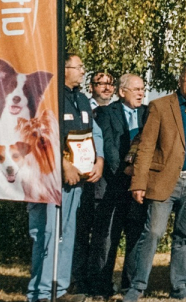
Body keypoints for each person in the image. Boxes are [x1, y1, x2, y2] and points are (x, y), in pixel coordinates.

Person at [124, 64, 186, 302]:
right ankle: (137, 286)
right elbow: (146, 147)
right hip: (164, 181)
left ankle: (179, 287)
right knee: (153, 232)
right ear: (181, 79)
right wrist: (138, 183)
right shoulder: (160, 106)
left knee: (185, 236)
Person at [27, 54, 102, 302]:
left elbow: (92, 134)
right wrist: (64, 164)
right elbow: (39, 135)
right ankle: (40, 293)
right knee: (47, 234)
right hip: (49, 180)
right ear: (64, 69)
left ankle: (60, 290)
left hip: (75, 183)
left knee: (67, 235)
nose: (83, 71)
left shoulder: (81, 99)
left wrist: (97, 160)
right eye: (78, 67)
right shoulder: (49, 97)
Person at [86, 73, 148, 298]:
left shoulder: (147, 113)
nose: (141, 93)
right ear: (122, 92)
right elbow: (108, 146)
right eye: (136, 89)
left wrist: (138, 177)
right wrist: (125, 171)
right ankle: (101, 286)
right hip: (113, 185)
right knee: (107, 238)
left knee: (135, 235)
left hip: (138, 187)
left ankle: (129, 285)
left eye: (143, 89)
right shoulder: (106, 112)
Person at [72, 69, 115, 290]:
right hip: (81, 180)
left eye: (110, 84)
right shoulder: (82, 107)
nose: (106, 88)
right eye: (101, 83)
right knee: (80, 233)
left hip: (105, 183)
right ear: (91, 87)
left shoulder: (117, 111)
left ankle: (99, 279)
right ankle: (78, 280)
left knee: (102, 235)